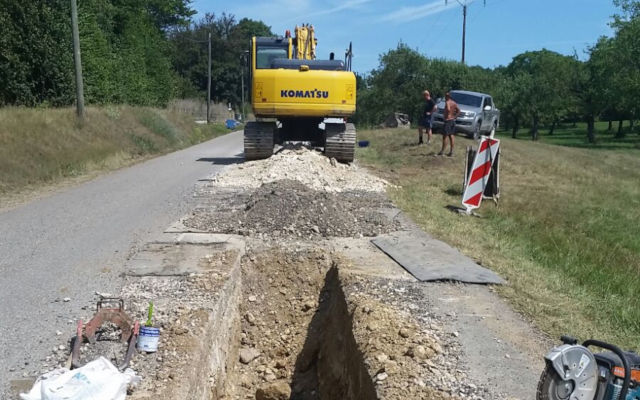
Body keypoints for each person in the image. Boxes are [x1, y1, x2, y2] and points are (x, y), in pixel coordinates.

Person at [438, 92, 460, 156]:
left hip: (448, 121)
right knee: (451, 135)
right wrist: (454, 117)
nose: (445, 97)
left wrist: (447, 115)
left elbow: (448, 108)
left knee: (445, 136)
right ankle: (451, 152)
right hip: (452, 120)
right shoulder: (454, 103)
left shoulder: (447, 102)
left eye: (446, 96)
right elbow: (459, 111)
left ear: (448, 97)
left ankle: (442, 151)